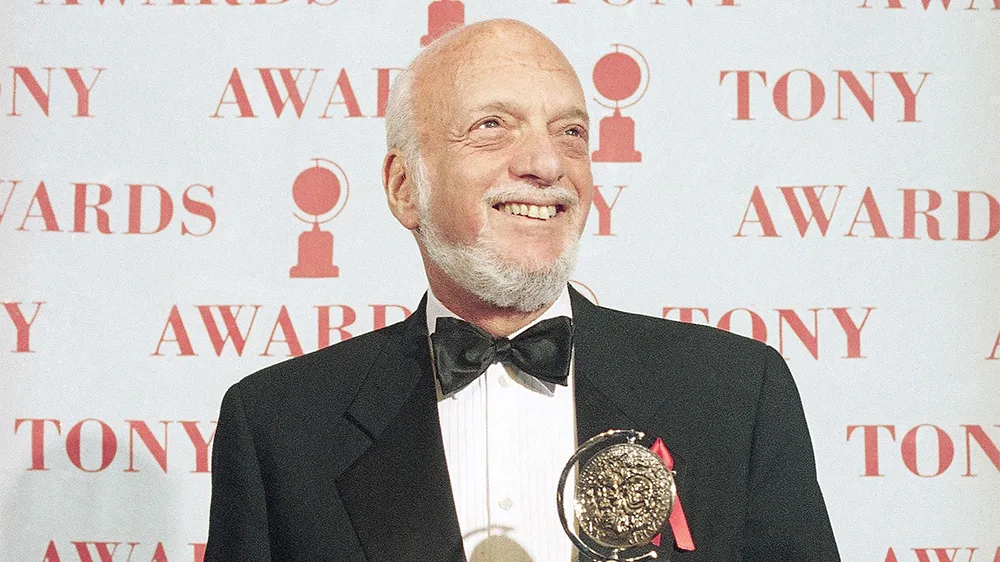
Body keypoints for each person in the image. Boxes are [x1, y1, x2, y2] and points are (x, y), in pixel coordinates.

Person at [206, 19, 840, 562]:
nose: (547, 163)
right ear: (405, 187)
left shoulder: (734, 393)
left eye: (570, 132)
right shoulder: (279, 428)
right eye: (492, 125)